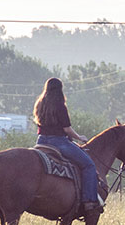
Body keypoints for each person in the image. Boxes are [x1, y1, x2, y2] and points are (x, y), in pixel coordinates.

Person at [32, 77, 102, 215]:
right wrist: (79, 137)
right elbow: (67, 129)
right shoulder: (59, 105)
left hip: (41, 142)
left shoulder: (39, 103)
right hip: (58, 142)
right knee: (89, 165)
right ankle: (89, 201)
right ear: (60, 89)